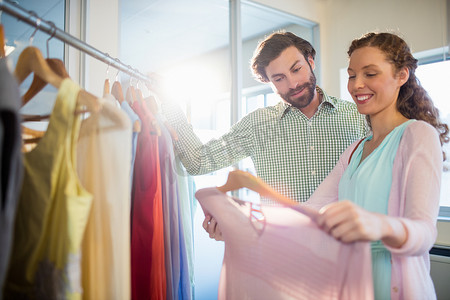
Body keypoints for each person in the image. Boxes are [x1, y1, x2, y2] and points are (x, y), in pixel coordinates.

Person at [152, 31, 366, 239]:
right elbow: (198, 162)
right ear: (268, 83)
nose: (292, 84)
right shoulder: (258, 124)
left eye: (296, 69)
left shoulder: (359, 118)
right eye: (279, 78)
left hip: (344, 252)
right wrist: (170, 104)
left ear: (310, 61)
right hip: (280, 254)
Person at [299, 31, 448, 299]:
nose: (357, 85)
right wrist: (241, 218)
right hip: (352, 286)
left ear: (401, 75)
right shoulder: (354, 150)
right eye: (352, 75)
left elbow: (424, 233)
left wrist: (378, 225)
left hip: (393, 286)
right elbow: (309, 211)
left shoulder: (418, 135)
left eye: (370, 74)